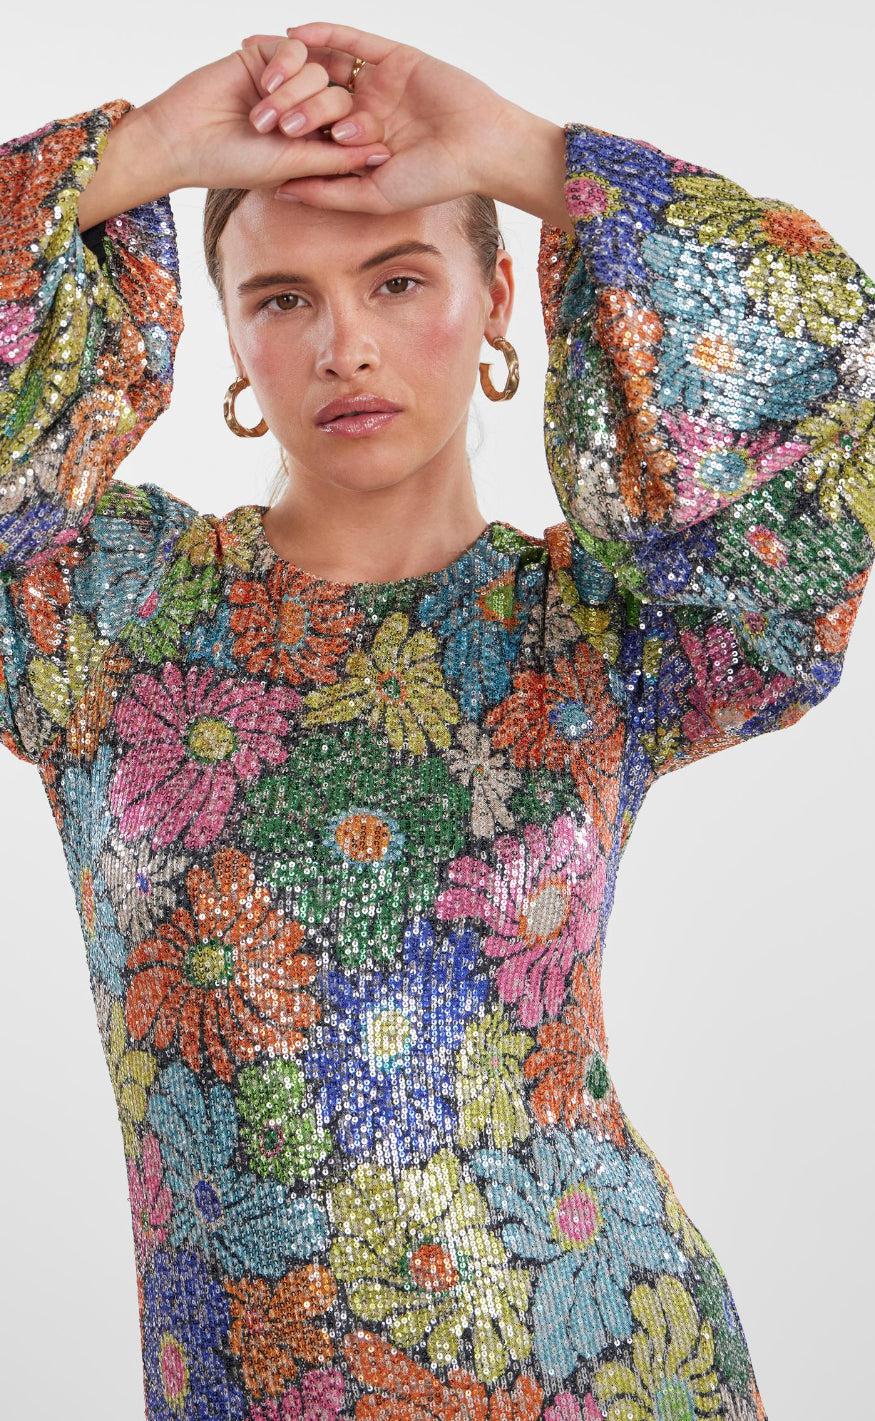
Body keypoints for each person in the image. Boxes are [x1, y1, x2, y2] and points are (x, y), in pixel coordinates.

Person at [1, 21, 872, 1420]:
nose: (345, 345)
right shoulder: (103, 608)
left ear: (498, 298)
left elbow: (840, 385)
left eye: (399, 278)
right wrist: (144, 152)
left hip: (604, 1368)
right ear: (230, 335)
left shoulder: (604, 632)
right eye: (283, 297)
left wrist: (530, 156)